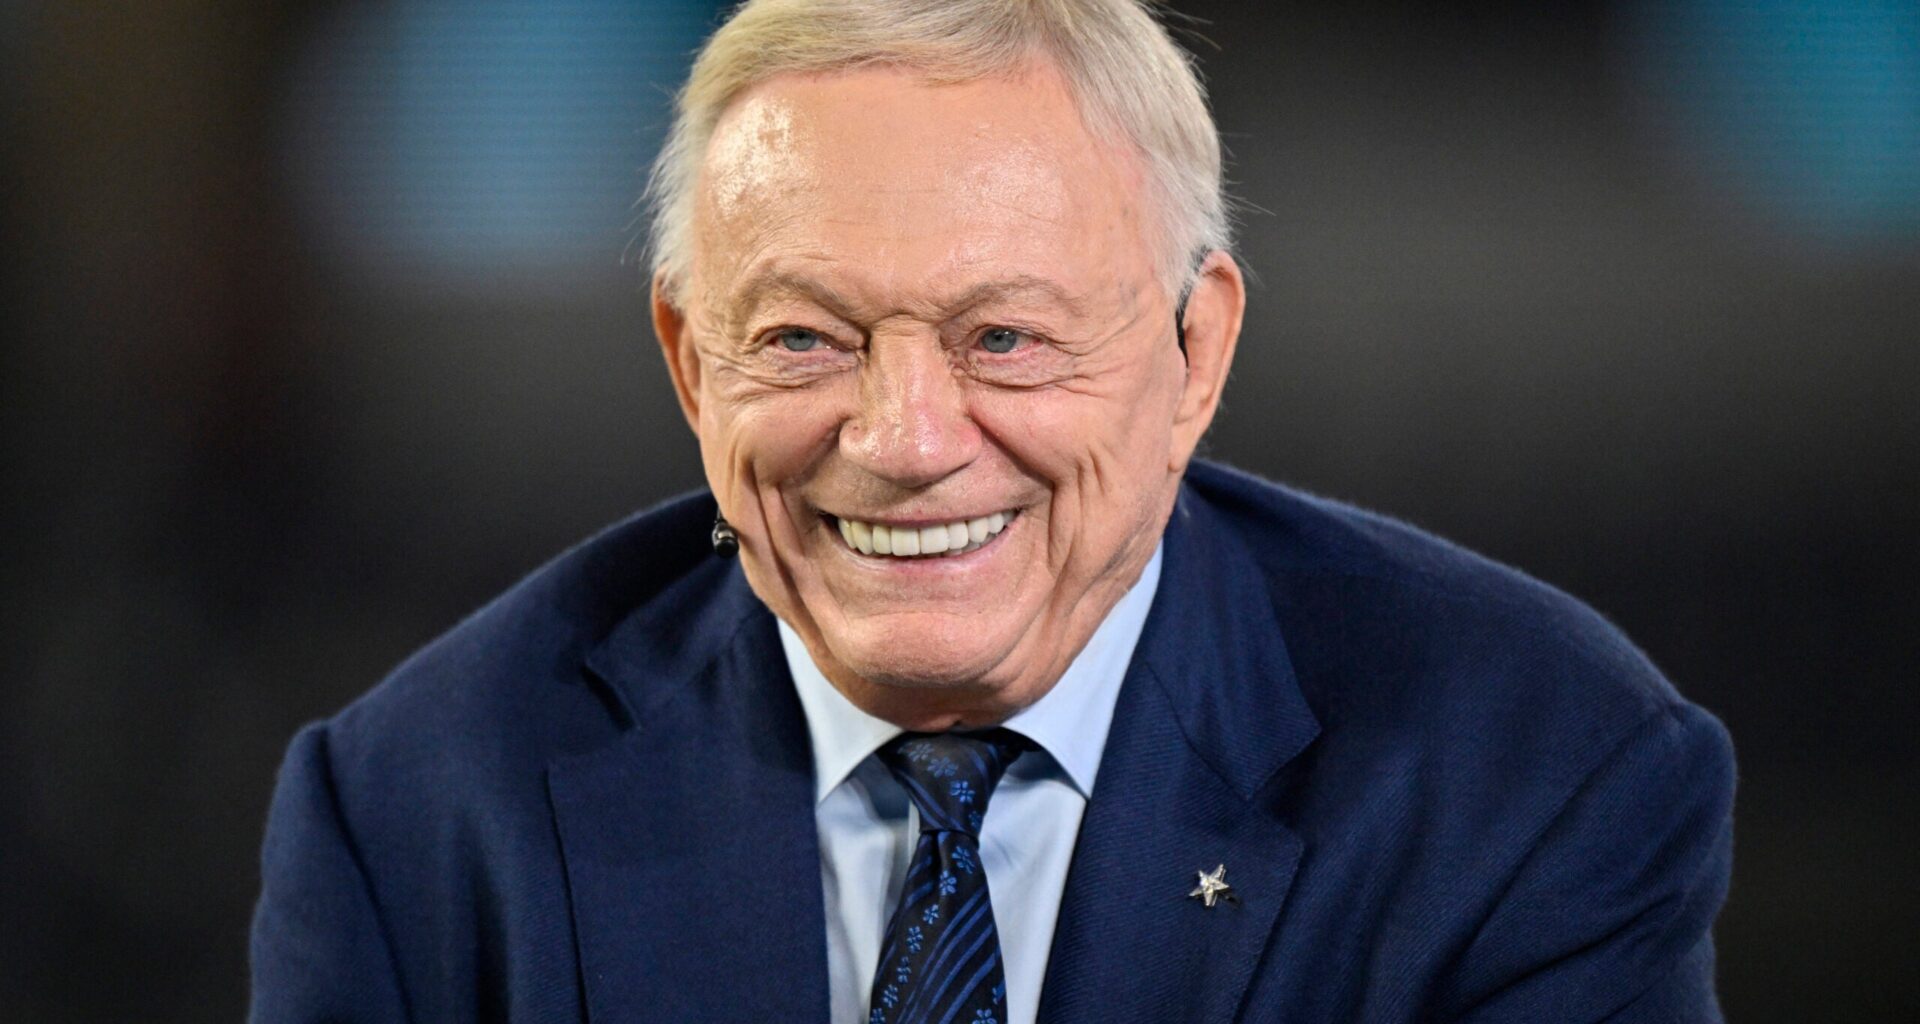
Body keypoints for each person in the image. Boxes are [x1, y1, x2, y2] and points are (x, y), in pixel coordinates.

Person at [248, 1, 1735, 1021]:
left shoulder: (1536, 777)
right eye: (802, 340)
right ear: (689, 367)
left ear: (1194, 351)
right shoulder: (419, 817)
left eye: (1003, 339)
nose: (902, 441)